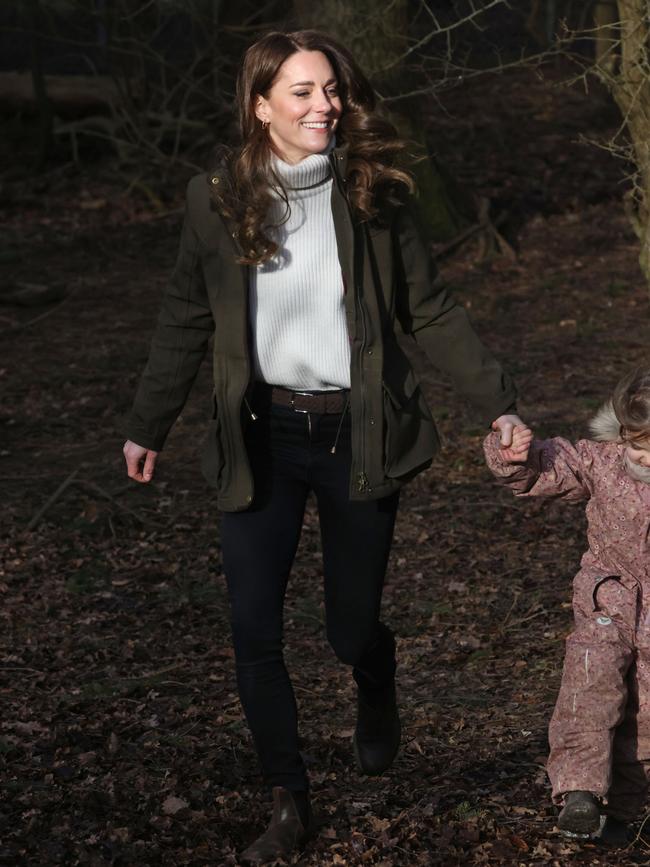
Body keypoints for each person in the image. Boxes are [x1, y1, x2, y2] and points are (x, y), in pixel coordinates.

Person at [123, 29, 523, 865]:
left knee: (348, 630)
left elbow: (433, 307)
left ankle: (374, 678)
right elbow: (184, 315)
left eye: (331, 90)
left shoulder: (375, 192)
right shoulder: (217, 197)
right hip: (261, 434)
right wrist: (147, 422)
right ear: (260, 104)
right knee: (253, 631)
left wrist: (499, 407)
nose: (324, 106)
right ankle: (289, 797)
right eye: (302, 92)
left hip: (359, 433)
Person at [483, 365, 650, 848]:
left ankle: (626, 814)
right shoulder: (601, 461)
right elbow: (547, 467)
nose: (642, 457)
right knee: (589, 689)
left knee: (643, 715)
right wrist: (513, 454)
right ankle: (579, 791)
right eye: (636, 445)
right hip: (607, 603)